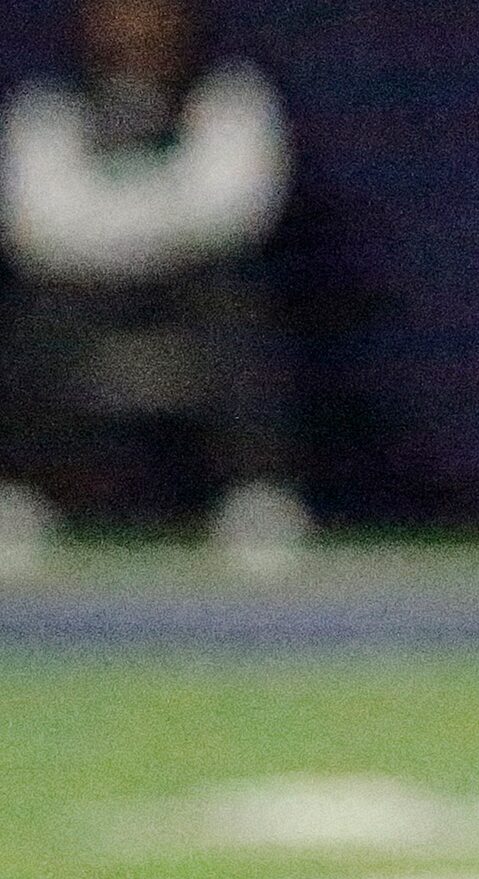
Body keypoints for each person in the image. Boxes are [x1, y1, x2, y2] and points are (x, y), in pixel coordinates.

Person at [0, 0, 309, 576]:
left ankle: (255, 498)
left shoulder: (229, 93)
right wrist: (157, 215)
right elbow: (36, 225)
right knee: (39, 307)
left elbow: (232, 210)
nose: (135, 23)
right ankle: (19, 495)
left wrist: (111, 220)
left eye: (152, 9)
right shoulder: (48, 105)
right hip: (84, 304)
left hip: (189, 301)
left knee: (235, 295)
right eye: (117, 10)